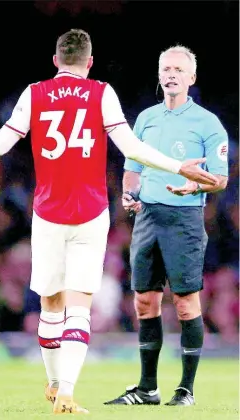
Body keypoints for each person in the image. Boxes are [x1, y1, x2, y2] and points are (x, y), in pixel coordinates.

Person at [0, 32, 218, 415]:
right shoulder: (102, 93)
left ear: (55, 60)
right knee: (78, 305)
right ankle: (64, 391)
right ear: (90, 62)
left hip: (48, 213)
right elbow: (131, 148)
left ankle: (54, 385)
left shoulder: (34, 93)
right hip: (90, 213)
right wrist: (177, 165)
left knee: (50, 305)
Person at [104, 45, 229, 407]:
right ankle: (147, 389)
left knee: (186, 302)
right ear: (159, 76)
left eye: (178, 69)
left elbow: (219, 179)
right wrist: (130, 194)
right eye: (165, 69)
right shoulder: (145, 119)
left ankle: (186, 390)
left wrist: (194, 185)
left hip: (184, 220)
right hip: (148, 218)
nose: (171, 74)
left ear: (191, 78)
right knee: (144, 301)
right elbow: (132, 167)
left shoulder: (207, 123)